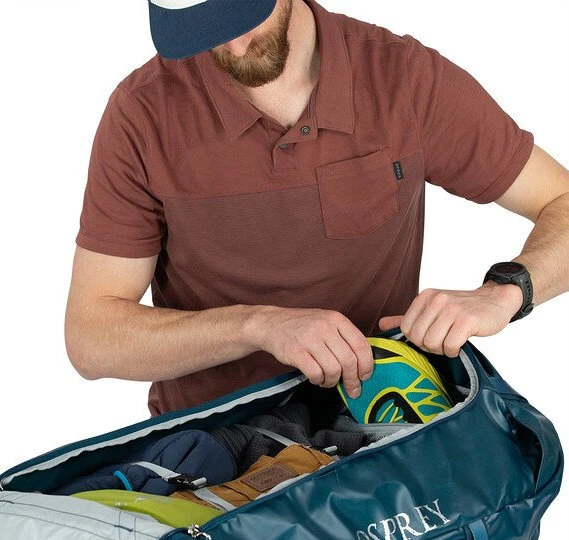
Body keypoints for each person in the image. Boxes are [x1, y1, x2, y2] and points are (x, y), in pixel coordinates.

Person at [65, 0, 569, 418]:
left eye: (242, 14)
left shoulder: (403, 78)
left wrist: (506, 292)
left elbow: (560, 200)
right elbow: (91, 338)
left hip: (381, 422)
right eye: (205, 28)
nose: (233, 45)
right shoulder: (142, 113)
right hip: (211, 448)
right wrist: (256, 325)